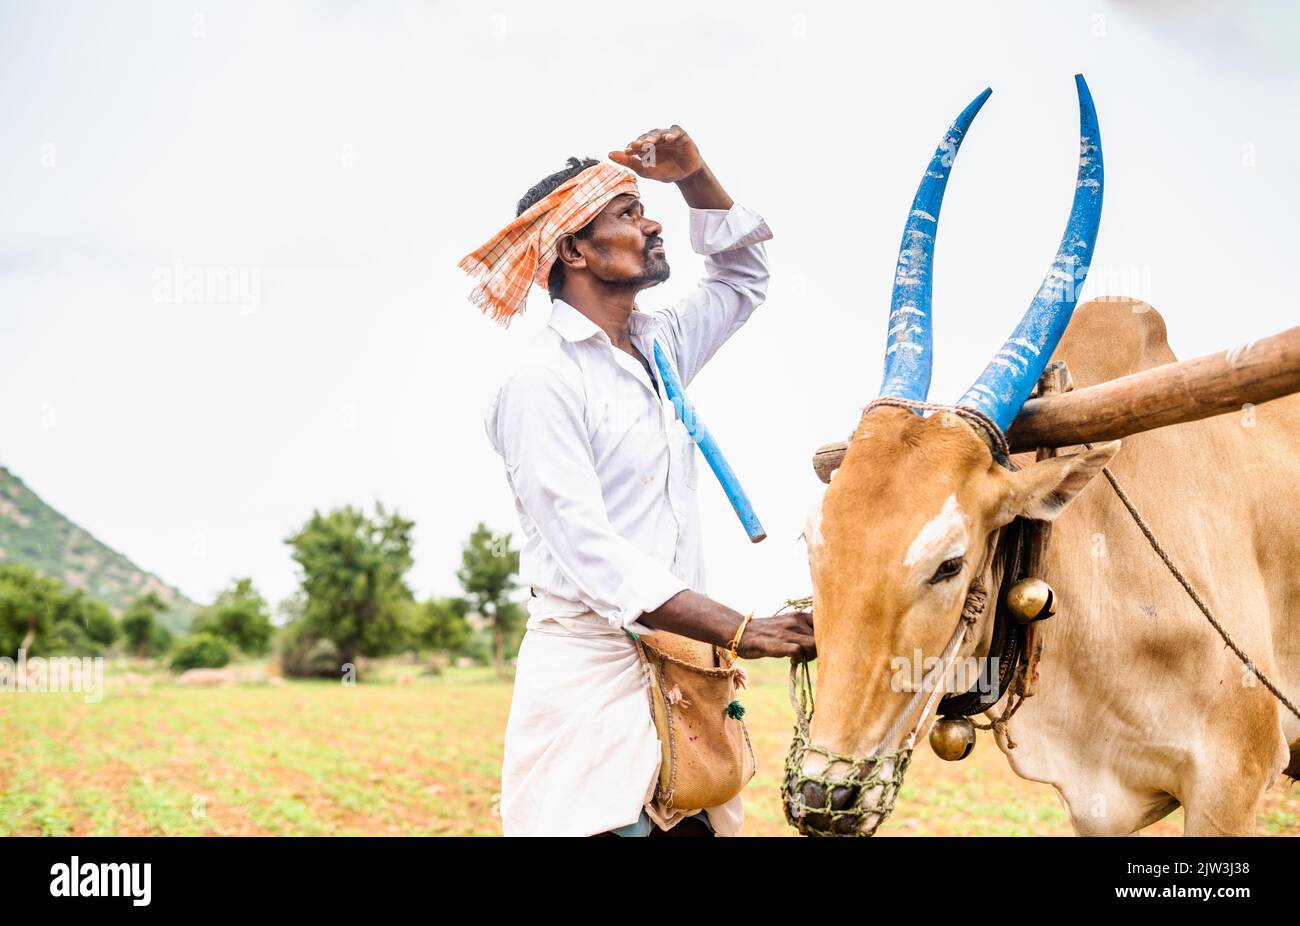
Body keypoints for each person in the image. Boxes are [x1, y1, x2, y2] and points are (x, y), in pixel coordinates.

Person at [466, 125, 815, 837]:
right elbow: (593, 556)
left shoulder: (662, 347)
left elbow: (743, 279)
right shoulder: (541, 382)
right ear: (573, 250)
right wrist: (741, 630)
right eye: (627, 214)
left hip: (684, 677)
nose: (652, 224)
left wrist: (693, 175)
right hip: (592, 687)